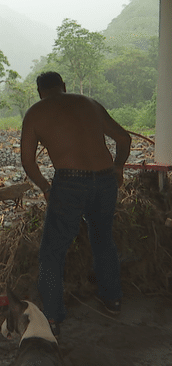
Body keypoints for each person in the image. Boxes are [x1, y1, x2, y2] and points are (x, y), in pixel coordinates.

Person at [20, 71, 131, 337]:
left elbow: (28, 161)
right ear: (64, 87)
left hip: (70, 182)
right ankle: (112, 299)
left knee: (52, 252)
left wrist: (46, 188)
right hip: (105, 180)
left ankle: (54, 318)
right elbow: (124, 139)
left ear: (40, 92)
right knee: (103, 238)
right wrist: (117, 167)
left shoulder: (35, 113)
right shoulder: (88, 103)